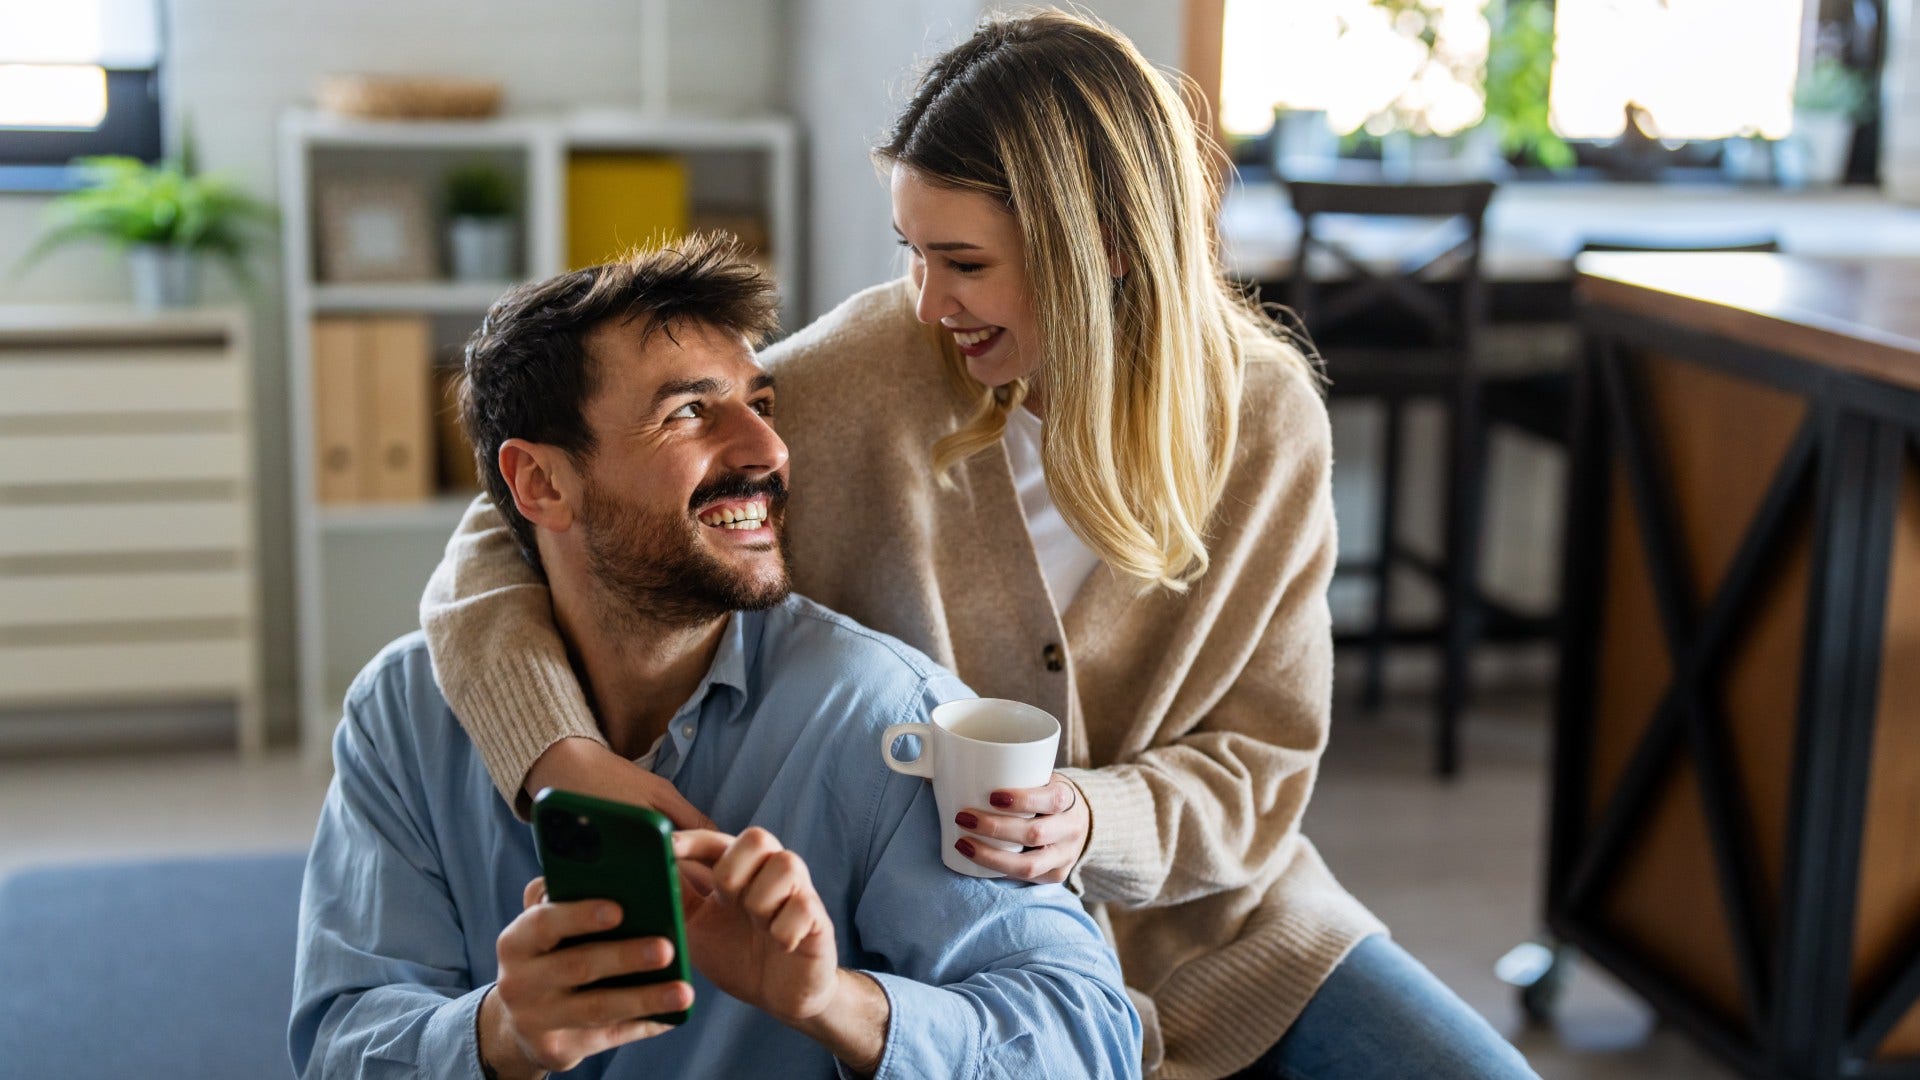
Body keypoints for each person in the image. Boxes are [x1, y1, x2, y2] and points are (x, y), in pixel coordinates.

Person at [418, 12, 1538, 1079]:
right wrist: (555, 752)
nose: (926, 299)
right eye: (912, 250)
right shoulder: (869, 370)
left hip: (1232, 940)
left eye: (962, 261)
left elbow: (1264, 764)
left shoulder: (1265, 420)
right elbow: (520, 518)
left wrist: (1093, 817)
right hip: (955, 958)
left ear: (1096, 243)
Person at [290, 235, 1142, 1080]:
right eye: (689, 413)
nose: (768, 451)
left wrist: (834, 1004)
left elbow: (1088, 1041)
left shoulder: (884, 717)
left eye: (761, 406)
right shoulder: (402, 717)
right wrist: (501, 1035)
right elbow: (341, 1042)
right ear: (542, 485)